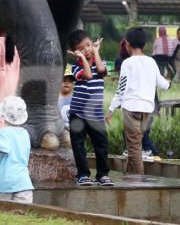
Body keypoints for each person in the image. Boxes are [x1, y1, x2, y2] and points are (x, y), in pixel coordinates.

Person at [108, 26, 170, 175]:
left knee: (134, 147)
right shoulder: (151, 62)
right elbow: (162, 83)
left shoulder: (127, 63)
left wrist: (110, 109)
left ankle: (138, 181)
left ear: (127, 44)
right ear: (145, 45)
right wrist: (169, 84)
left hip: (131, 108)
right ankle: (130, 177)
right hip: (147, 109)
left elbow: (121, 89)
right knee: (135, 144)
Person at [67, 28, 113, 186]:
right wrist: (82, 58)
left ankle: (102, 175)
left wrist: (96, 51)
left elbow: (100, 70)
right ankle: (83, 175)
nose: (86, 50)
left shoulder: (101, 63)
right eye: (81, 49)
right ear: (75, 52)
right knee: (78, 145)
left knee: (101, 144)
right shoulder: (76, 68)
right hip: (78, 113)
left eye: (88, 45)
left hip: (96, 115)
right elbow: (88, 75)